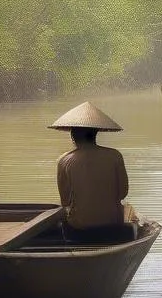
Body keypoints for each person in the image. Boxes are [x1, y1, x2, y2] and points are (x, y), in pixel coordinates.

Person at [49, 101, 134, 244]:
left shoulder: (64, 161)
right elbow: (122, 193)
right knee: (127, 212)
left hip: (79, 228)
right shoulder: (115, 156)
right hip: (112, 225)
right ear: (95, 134)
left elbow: (65, 201)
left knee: (60, 217)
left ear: (72, 136)